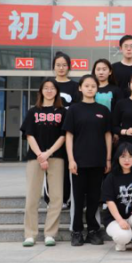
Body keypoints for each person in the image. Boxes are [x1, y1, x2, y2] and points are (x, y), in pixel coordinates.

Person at [63, 75, 113, 247]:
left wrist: (108, 158)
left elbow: (108, 135)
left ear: (97, 89)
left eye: (93, 86)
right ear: (80, 88)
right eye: (87, 86)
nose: (90, 88)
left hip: (98, 161)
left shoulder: (103, 110)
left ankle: (93, 230)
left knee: (94, 198)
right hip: (78, 162)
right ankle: (76, 231)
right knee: (77, 199)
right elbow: (69, 136)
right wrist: (71, 159)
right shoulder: (74, 109)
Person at [20, 80, 66, 247]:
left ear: (57, 91)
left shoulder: (62, 112)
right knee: (32, 196)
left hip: (56, 156)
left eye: (52, 88)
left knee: (56, 197)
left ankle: (50, 234)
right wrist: (40, 155)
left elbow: (63, 135)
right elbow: (29, 134)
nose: (49, 90)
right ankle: (30, 234)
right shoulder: (33, 111)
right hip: (35, 157)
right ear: (41, 91)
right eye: (45, 88)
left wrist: (48, 153)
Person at [102, 142, 132, 253]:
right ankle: (121, 242)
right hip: (114, 219)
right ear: (118, 158)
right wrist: (120, 220)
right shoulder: (111, 177)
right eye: (123, 156)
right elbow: (109, 201)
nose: (127, 160)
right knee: (123, 236)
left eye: (130, 156)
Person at [48, 52, 79, 207]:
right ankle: (52, 198)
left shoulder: (75, 86)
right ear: (54, 67)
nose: (61, 68)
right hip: (50, 131)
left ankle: (67, 197)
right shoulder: (48, 84)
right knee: (51, 167)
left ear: (69, 67)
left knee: (67, 165)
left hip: (69, 132)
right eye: (58, 65)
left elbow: (77, 109)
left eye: (64, 65)